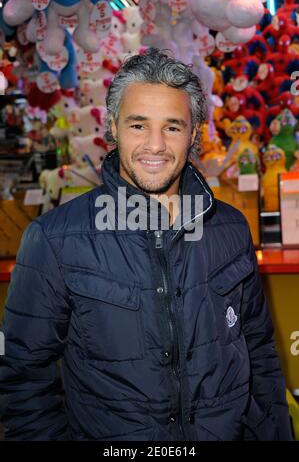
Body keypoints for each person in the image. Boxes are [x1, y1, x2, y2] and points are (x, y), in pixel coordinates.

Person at [0, 48, 292, 441]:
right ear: (113, 127)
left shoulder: (230, 227)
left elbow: (259, 353)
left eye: (172, 127)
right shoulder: (54, 240)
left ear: (193, 133)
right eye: (139, 125)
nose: (155, 145)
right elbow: (22, 382)